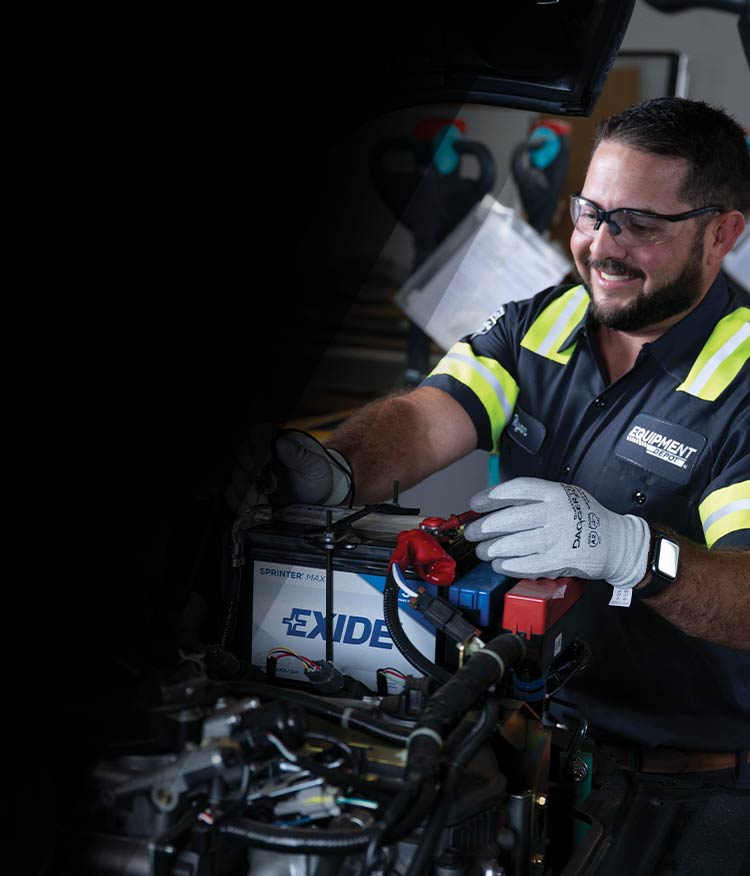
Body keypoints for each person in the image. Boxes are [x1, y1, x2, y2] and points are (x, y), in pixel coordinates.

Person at [228, 97, 750, 872]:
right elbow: (421, 419)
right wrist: (333, 471)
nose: (602, 247)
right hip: (537, 756)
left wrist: (634, 552)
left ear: (721, 234)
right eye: (592, 212)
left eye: (641, 224)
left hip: (690, 797)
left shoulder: (741, 381)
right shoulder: (544, 324)